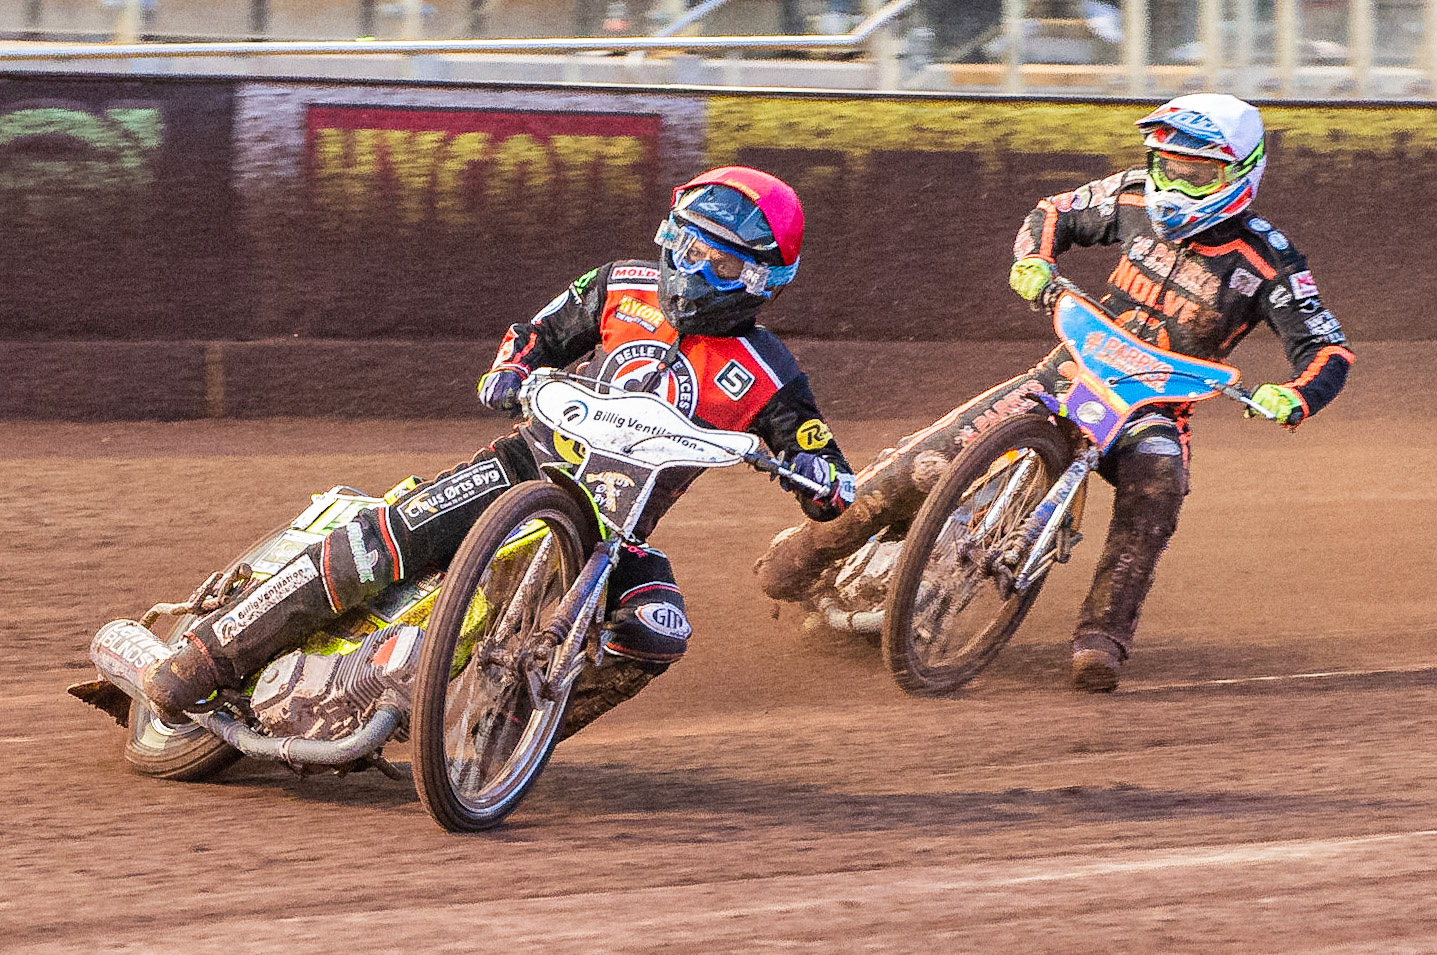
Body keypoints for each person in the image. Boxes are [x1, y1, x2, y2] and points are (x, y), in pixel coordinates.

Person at [143, 166, 855, 723]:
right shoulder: (616, 285)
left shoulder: (770, 374)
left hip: (620, 530)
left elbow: (823, 462)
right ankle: (210, 654)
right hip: (522, 466)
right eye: (686, 248)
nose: (694, 272)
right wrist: (509, 370)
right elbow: (536, 334)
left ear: (762, 282)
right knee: (384, 539)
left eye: (721, 267)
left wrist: (819, 477)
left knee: (656, 631)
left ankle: (497, 732)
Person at [757, 93, 1352, 692]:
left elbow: (1328, 349)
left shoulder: (1271, 262)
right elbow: (1055, 211)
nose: (1175, 181)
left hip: (1151, 409)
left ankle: (1103, 635)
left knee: (1158, 488)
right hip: (1067, 375)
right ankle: (810, 551)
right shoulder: (1132, 196)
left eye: (1196, 173)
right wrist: (1036, 261)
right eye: (1167, 165)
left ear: (1240, 174)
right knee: (924, 463)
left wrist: (1295, 397)